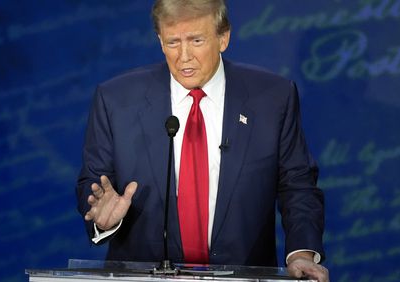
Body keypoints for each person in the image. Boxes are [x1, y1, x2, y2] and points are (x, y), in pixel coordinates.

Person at [76, 0, 329, 281]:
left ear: (224, 38)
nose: (184, 56)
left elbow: (298, 185)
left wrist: (301, 253)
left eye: (196, 40)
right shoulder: (116, 100)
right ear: (160, 41)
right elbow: (94, 182)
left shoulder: (273, 97)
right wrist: (102, 218)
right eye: (173, 42)